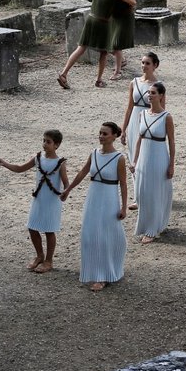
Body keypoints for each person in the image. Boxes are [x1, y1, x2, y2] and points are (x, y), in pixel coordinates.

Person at [63, 122, 128, 291]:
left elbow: (123, 184)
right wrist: (68, 189)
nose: (101, 136)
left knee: (105, 235)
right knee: (90, 233)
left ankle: (103, 275)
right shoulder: (93, 153)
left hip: (109, 199)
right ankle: (93, 270)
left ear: (114, 136)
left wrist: (124, 207)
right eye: (100, 133)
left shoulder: (119, 158)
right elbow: (82, 173)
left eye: (105, 134)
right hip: (93, 198)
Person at [0, 130, 70, 274]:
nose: (44, 144)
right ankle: (39, 255)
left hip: (52, 201)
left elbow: (66, 182)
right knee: (32, 227)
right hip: (39, 199)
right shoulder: (38, 157)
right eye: (44, 141)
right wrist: (4, 163)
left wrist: (66, 192)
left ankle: (49, 260)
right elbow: (20, 168)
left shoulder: (60, 163)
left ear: (57, 145)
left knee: (49, 230)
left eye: (48, 142)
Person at [57, 0, 135, 90]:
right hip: (102, 23)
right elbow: (132, 2)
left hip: (91, 19)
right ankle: (99, 80)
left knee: (80, 48)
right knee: (103, 53)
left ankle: (64, 73)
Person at [130, 83, 175, 243]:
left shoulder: (166, 117)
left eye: (153, 93)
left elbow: (171, 142)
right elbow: (138, 140)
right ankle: (145, 224)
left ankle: (153, 229)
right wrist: (134, 161)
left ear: (161, 96)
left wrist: (171, 165)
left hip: (159, 158)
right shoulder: (142, 114)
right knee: (142, 193)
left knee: (155, 192)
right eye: (148, 93)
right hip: (143, 158)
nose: (149, 95)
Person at [119, 51, 160, 211]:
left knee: (146, 158)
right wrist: (123, 129)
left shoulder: (158, 86)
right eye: (142, 63)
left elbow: (161, 109)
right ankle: (138, 196)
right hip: (135, 121)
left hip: (148, 121)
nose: (144, 66)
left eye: (147, 63)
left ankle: (150, 193)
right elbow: (129, 107)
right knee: (133, 160)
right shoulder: (134, 82)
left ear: (155, 65)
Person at [108, 0, 137, 79]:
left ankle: (118, 71)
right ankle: (122, 60)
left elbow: (132, 1)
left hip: (124, 18)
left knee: (116, 45)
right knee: (109, 46)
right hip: (113, 17)